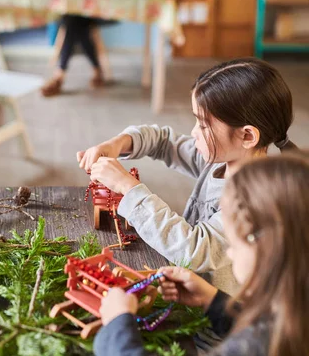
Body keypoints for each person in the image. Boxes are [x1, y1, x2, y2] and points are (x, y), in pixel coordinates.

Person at [94, 154, 309, 356]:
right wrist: (216, 302)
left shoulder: (259, 352)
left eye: (234, 245)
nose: (231, 257)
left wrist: (117, 322)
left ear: (265, 250)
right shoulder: (295, 309)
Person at [77, 58, 297, 298]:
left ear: (247, 135)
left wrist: (127, 187)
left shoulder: (256, 201)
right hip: (189, 294)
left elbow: (194, 250)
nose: (194, 132)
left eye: (203, 125)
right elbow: (163, 141)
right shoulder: (220, 160)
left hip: (216, 322)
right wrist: (119, 143)